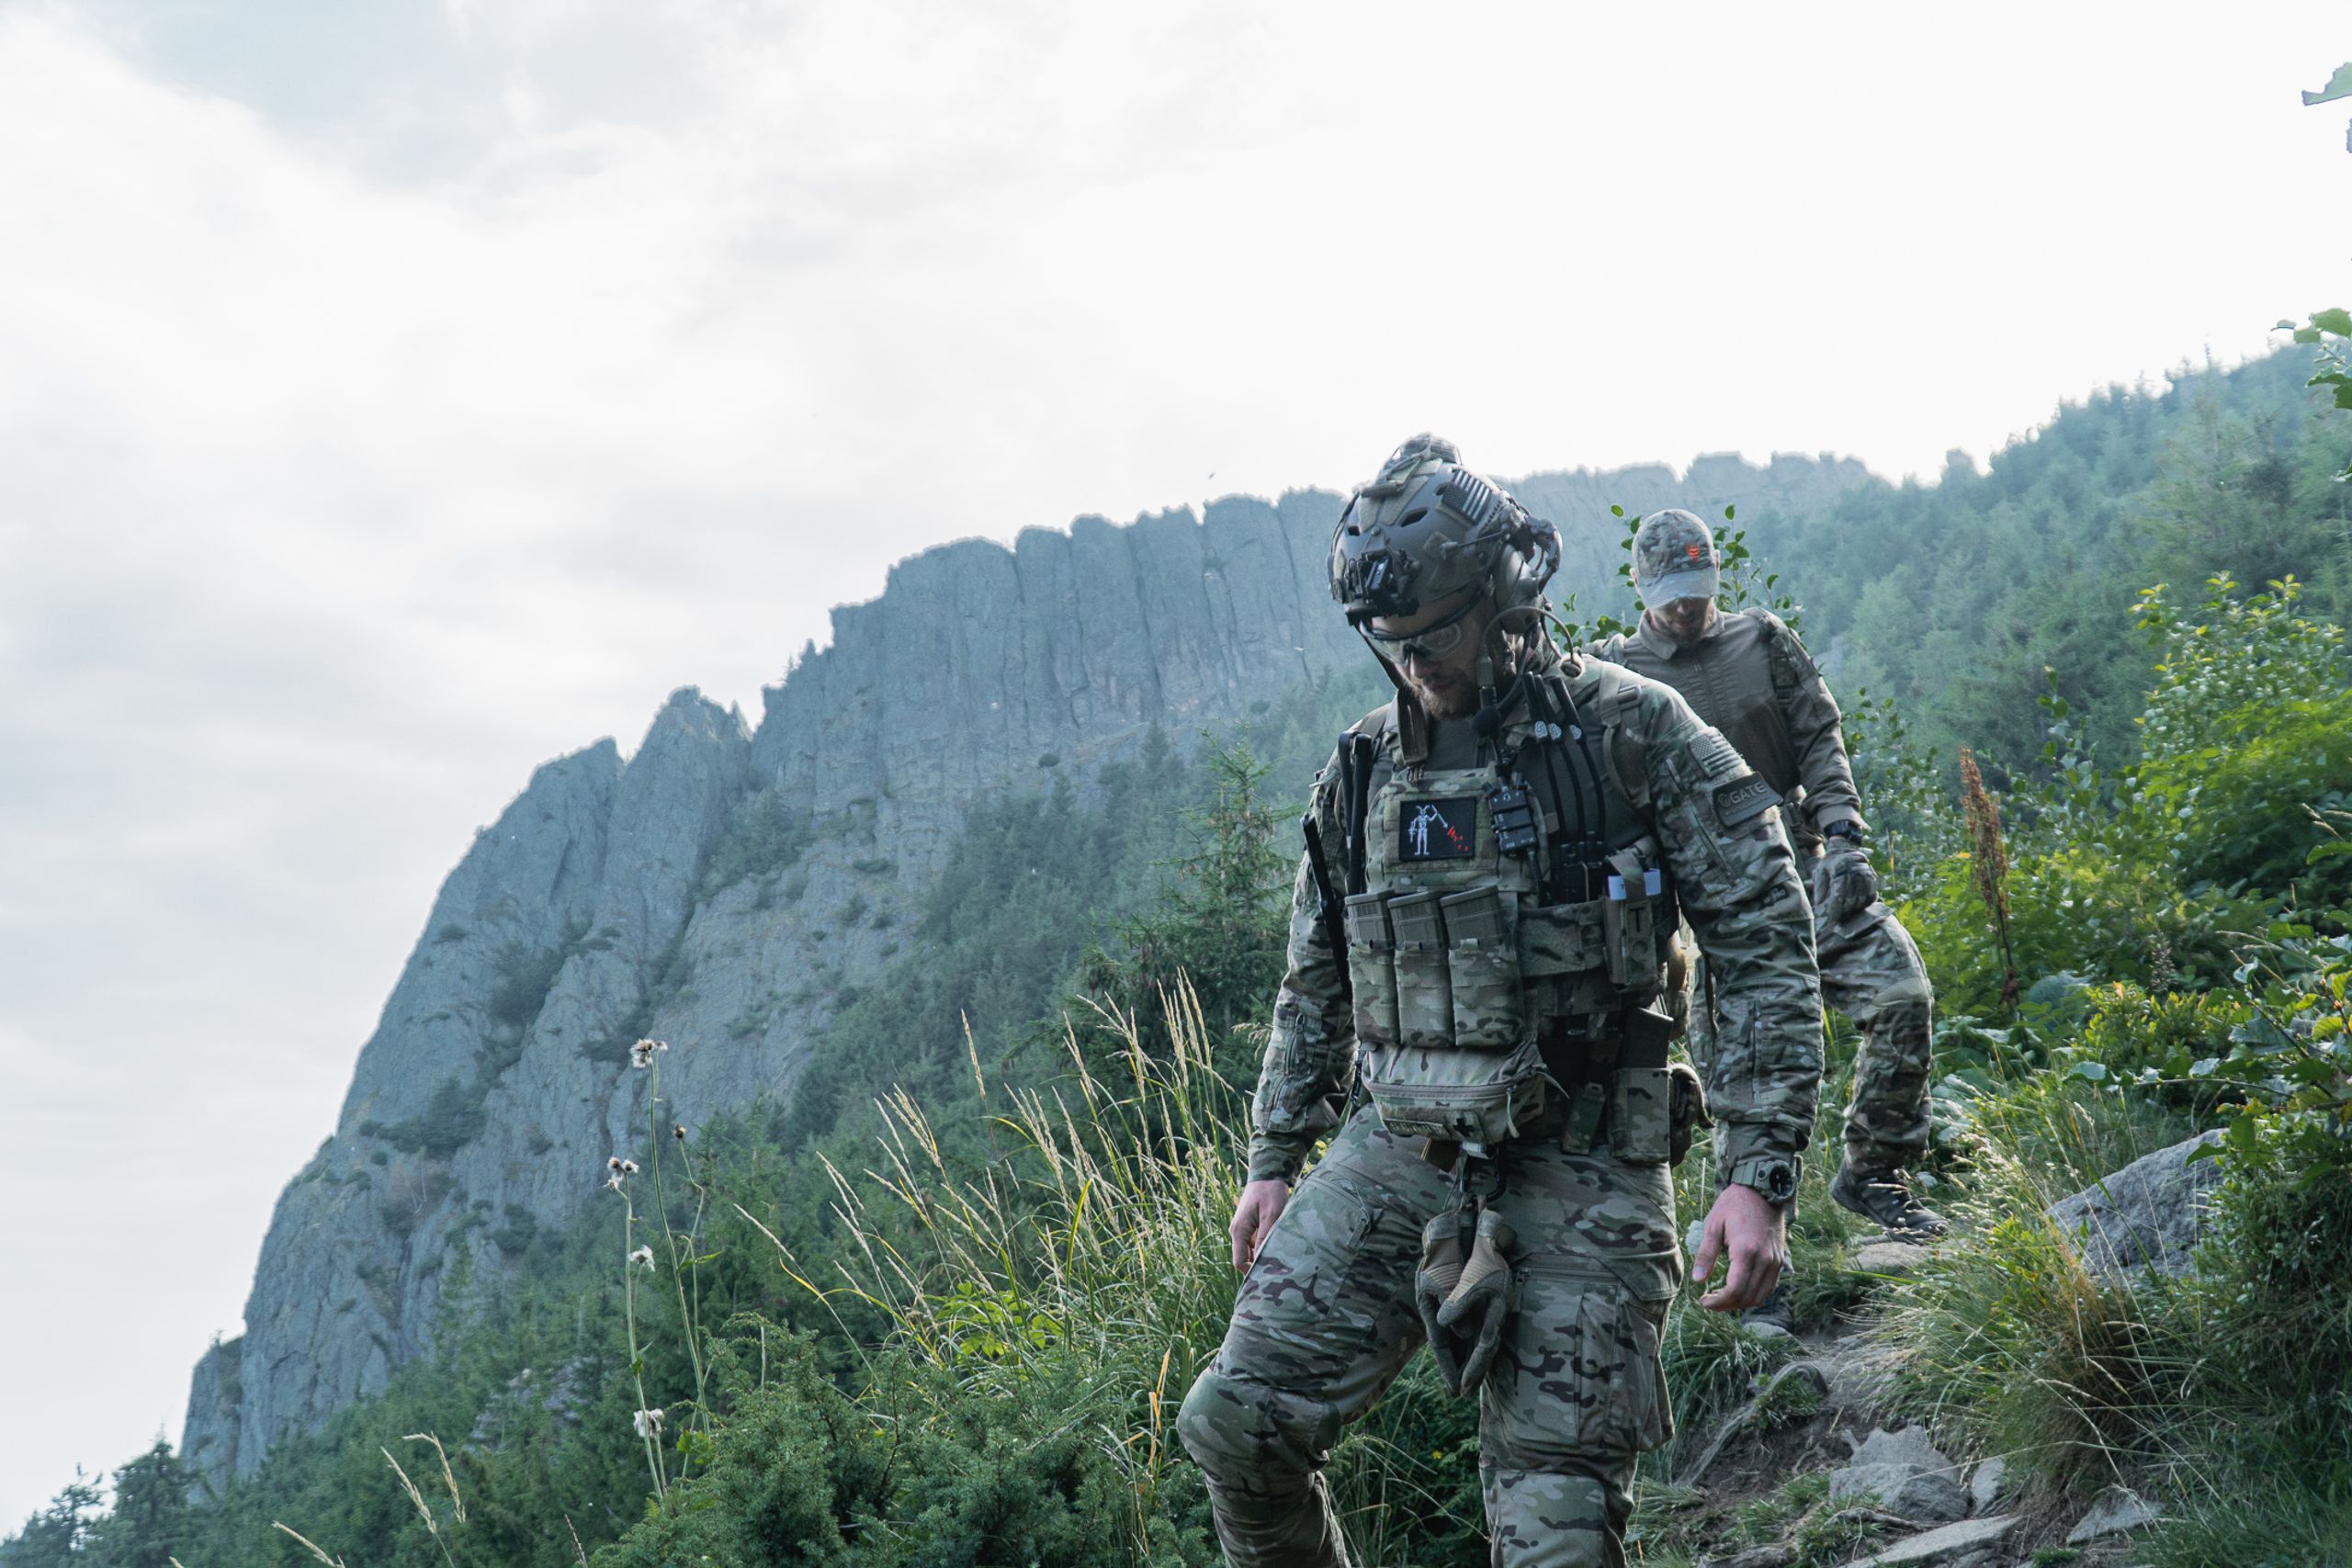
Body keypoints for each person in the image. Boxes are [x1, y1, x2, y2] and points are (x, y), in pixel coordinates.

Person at [1176, 436, 1826, 1568]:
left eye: (1436, 635)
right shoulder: (1363, 771)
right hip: (1399, 1147)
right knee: (1236, 1427)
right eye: (1392, 642)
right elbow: (1318, 975)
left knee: (1554, 1528)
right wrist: (1274, 1158)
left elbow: (1763, 942)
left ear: (1502, 595)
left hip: (1588, 1152)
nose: (1416, 664)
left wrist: (1756, 1173)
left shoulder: (1632, 732)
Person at [1592, 508, 1944, 1242]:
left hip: (1805, 865)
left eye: (1696, 591)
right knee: (1742, 1069)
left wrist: (1844, 835)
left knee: (1903, 993)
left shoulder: (1762, 640)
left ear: (1714, 575)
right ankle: (1757, 1257)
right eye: (1669, 596)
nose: (1685, 609)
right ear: (1639, 585)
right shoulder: (1616, 674)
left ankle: (1875, 1172)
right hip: (1710, 901)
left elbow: (1819, 734)